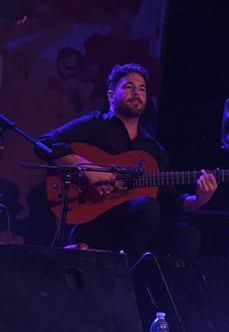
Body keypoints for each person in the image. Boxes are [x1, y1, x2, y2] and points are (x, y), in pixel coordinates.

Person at [36, 62, 217, 258]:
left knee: (188, 234)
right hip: (93, 219)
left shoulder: (153, 149)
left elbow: (169, 201)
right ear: (111, 95)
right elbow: (44, 143)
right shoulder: (95, 124)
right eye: (129, 87)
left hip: (137, 226)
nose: (137, 92)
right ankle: (123, 273)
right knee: (146, 206)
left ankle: (138, 280)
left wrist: (198, 200)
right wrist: (87, 168)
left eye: (142, 88)